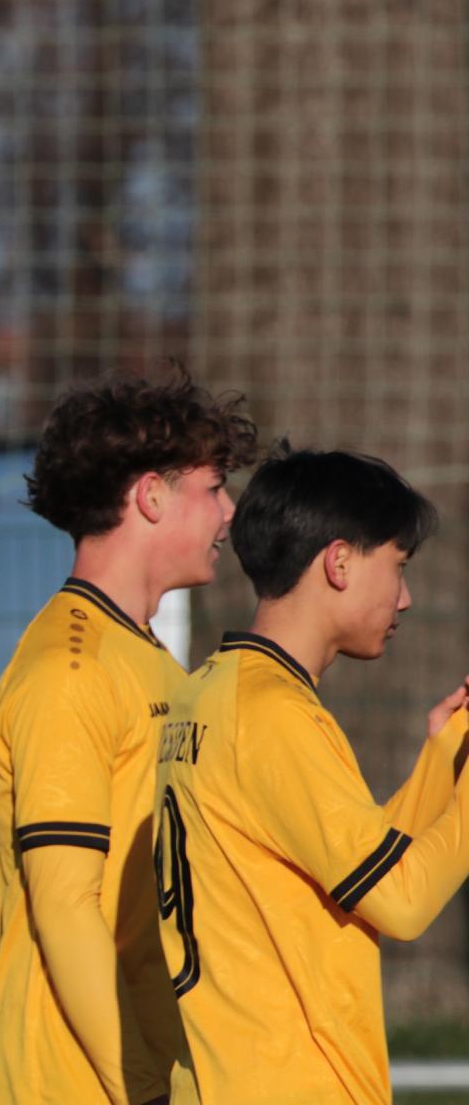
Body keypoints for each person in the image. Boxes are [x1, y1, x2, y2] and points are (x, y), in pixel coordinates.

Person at [156, 446, 469, 1103]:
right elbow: (403, 903)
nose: (406, 597)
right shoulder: (274, 715)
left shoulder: (210, 692)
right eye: (398, 567)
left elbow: (359, 874)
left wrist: (445, 760)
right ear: (339, 562)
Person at [0, 371, 257, 1104]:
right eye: (214, 488)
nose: (229, 512)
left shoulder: (142, 655)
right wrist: (142, 1087)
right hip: (78, 1085)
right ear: (152, 495)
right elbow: (66, 906)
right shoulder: (69, 671)